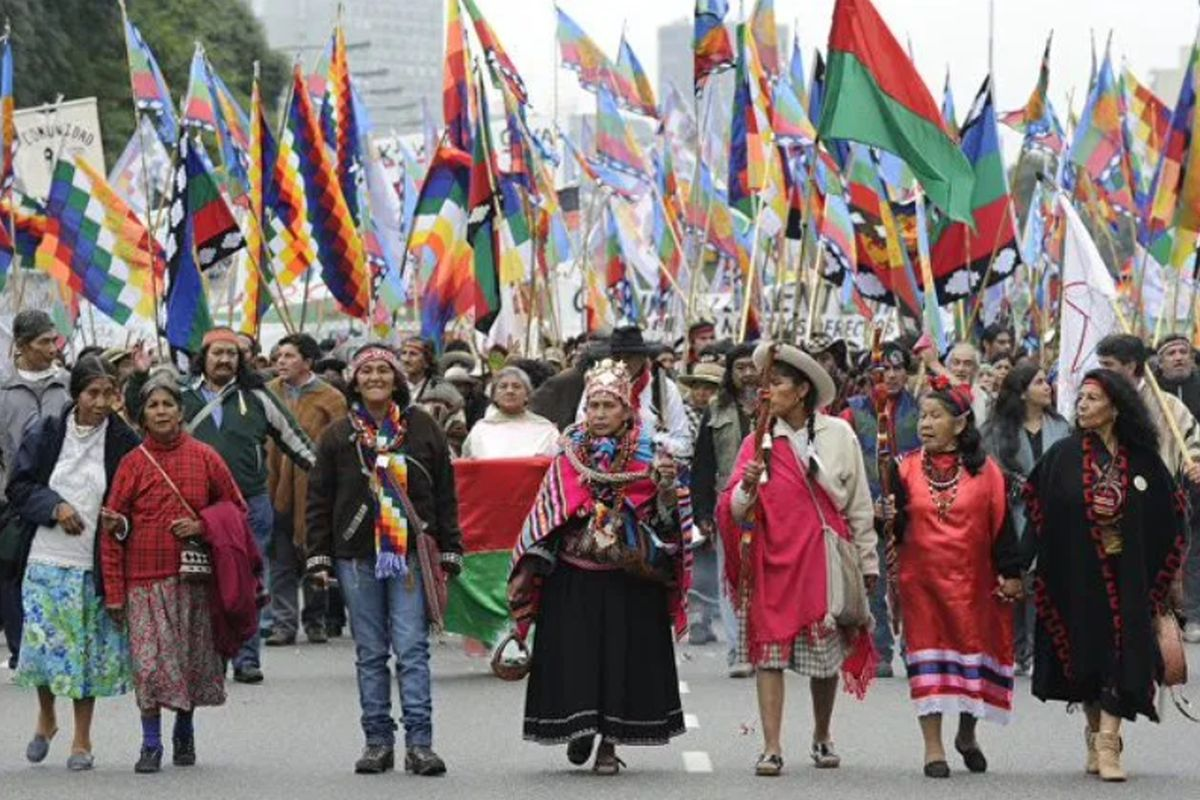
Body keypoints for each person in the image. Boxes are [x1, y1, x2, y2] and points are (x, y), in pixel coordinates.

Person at [509, 358, 687, 775]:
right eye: (594, 406)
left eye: (610, 406)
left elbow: (668, 524)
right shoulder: (568, 455)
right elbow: (546, 513)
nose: (601, 415)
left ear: (628, 410)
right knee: (577, 656)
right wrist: (532, 564)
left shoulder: (652, 455)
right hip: (574, 574)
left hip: (630, 576)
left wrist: (664, 489)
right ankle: (580, 727)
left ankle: (609, 743)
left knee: (621, 660)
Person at [717, 342, 878, 776]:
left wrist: (868, 563)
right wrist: (746, 487)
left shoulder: (838, 435)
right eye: (764, 383)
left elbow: (859, 504)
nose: (766, 391)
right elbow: (733, 508)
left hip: (822, 557)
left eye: (777, 382)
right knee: (769, 653)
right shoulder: (758, 440)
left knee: (824, 655)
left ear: (803, 389)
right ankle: (771, 746)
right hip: (773, 558)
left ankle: (822, 734)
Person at [305, 343, 462, 776]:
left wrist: (450, 547)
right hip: (355, 555)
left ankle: (420, 744)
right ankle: (377, 742)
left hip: (408, 554)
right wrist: (317, 555)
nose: (375, 377)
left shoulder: (423, 427)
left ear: (397, 379)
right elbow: (319, 498)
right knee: (371, 652)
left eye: (383, 370)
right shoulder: (339, 435)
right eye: (367, 371)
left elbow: (446, 493)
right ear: (355, 380)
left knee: (412, 650)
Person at [1024, 369, 1187, 782]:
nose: (1082, 405)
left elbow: (1170, 514)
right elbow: (1037, 515)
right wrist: (1014, 567)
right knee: (1087, 657)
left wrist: (1163, 577)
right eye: (1081, 398)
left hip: (1128, 576)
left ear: (1115, 408)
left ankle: (1110, 745)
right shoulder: (1061, 457)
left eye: (1093, 399)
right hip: (1075, 576)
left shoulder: (1143, 460)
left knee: (1122, 653)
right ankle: (1095, 731)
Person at [99, 371, 247, 774]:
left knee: (189, 662)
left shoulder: (205, 457)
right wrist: (114, 592)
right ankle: (150, 743)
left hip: (195, 581)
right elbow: (112, 530)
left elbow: (236, 511)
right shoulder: (131, 465)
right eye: (153, 405)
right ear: (141, 416)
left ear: (181, 412)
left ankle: (185, 728)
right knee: (149, 667)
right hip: (142, 583)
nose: (161, 412)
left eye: (168, 404)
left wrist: (202, 526)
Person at [880, 375, 1023, 778]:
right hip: (921, 584)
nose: (925, 423)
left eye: (935, 416)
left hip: (974, 585)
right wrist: (884, 519)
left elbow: (1001, 527)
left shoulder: (987, 472)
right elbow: (893, 530)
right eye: (922, 416)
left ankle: (966, 734)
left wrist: (1011, 574)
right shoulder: (902, 469)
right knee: (926, 661)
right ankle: (933, 748)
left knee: (970, 663)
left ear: (960, 424)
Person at [7, 357, 138, 771]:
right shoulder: (47, 433)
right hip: (45, 559)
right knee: (45, 647)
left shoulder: (124, 441)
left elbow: (137, 499)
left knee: (86, 651)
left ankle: (82, 739)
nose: (101, 402)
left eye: (108, 393)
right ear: (76, 394)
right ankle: (47, 716)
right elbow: (20, 486)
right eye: (92, 393)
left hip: (93, 564)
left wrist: (121, 523)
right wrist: (56, 506)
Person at [181, 327, 317, 684]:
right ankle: (209, 659)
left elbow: (294, 440)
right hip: (195, 509)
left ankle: (246, 658)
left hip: (249, 507)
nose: (225, 360)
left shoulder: (257, 397)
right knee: (199, 586)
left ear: (240, 360)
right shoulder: (181, 397)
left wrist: (328, 474)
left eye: (232, 354)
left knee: (247, 584)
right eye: (217, 353)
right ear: (204, 357)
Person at [981, 364, 1071, 674]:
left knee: (1039, 584)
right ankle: (1015, 649)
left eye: (1047, 381)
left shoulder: (1062, 427)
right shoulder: (995, 430)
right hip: (1010, 515)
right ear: (1022, 391)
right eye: (1039, 382)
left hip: (1051, 517)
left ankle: (1035, 650)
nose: (1048, 387)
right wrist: (1012, 482)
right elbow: (985, 469)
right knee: (1013, 581)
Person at [839, 341, 921, 677]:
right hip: (866, 510)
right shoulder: (852, 412)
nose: (892, 375)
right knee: (872, 581)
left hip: (913, 510)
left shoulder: (922, 409)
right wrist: (860, 503)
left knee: (912, 583)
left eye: (899, 368)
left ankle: (914, 650)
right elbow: (841, 462)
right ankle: (881, 650)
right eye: (884, 369)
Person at [264, 333, 348, 647]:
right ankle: (283, 624)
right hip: (274, 487)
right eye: (278, 356)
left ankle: (315, 619)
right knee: (281, 559)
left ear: (308, 362)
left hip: (316, 489)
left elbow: (341, 444)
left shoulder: (330, 398)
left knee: (315, 555)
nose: (280, 362)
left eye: (288, 356)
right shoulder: (267, 393)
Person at [0, 310, 71, 669]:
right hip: (15, 500)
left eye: (53, 340)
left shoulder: (69, 386)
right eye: (44, 342)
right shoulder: (4, 394)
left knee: (58, 572)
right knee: (11, 572)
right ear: (23, 346)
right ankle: (21, 650)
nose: (52, 348)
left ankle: (58, 647)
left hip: (65, 499)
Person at [691, 343, 759, 672]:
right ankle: (738, 651)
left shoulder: (778, 406)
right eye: (740, 367)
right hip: (727, 505)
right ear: (731, 374)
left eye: (752, 366)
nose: (747, 374)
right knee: (729, 576)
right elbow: (702, 464)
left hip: (773, 505)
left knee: (765, 576)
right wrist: (702, 512)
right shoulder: (716, 409)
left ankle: (764, 644)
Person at [1095, 334, 1200, 485]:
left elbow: (1193, 441)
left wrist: (1195, 464)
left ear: (1130, 366)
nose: (1102, 371)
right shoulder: (1098, 403)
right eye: (1101, 364)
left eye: (1108, 365)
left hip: (1158, 493)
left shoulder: (1169, 406)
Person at [575, 325, 692, 459]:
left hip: (651, 472)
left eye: (629, 357)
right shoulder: (597, 385)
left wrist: (651, 444)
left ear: (642, 358)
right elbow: (581, 428)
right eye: (618, 357)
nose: (623, 363)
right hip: (602, 466)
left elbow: (684, 444)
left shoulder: (665, 388)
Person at [1154, 333, 1200, 642]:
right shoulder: (1154, 395)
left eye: (1184, 351)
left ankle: (1195, 615)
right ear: (1160, 362)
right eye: (1171, 352)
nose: (1179, 357)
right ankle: (1175, 614)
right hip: (1166, 482)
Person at [461, 367, 559, 459]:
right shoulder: (480, 430)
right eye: (503, 386)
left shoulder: (545, 430)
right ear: (494, 396)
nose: (510, 391)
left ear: (527, 395)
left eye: (516, 386)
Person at [399, 336, 441, 407]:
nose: (406, 360)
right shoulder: (394, 388)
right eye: (404, 353)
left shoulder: (439, 391)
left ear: (427, 361)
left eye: (413, 354)